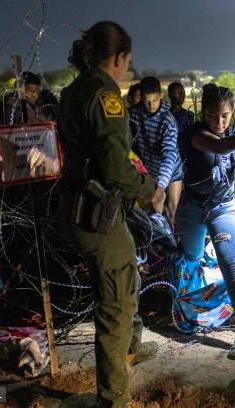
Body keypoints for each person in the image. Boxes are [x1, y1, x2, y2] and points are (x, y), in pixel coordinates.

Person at [58, 21, 165, 407]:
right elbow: (116, 166)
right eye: (127, 61)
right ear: (119, 57)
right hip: (98, 214)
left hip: (77, 207)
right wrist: (149, 191)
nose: (127, 69)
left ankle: (128, 350)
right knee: (116, 306)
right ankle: (114, 398)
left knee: (126, 281)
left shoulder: (72, 90)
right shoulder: (107, 95)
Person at [176, 84, 235, 359]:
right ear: (202, 113)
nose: (219, 122)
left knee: (227, 259)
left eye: (225, 116)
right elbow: (220, 148)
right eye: (212, 116)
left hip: (224, 207)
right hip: (192, 206)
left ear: (232, 113)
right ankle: (188, 312)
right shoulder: (194, 133)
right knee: (190, 258)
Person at [130, 76, 183, 225]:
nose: (151, 105)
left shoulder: (168, 121)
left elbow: (169, 155)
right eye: (147, 101)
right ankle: (157, 244)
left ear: (161, 96)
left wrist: (161, 186)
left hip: (171, 170)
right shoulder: (132, 115)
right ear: (141, 97)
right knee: (154, 212)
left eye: (155, 100)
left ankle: (176, 243)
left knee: (173, 209)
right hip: (148, 168)